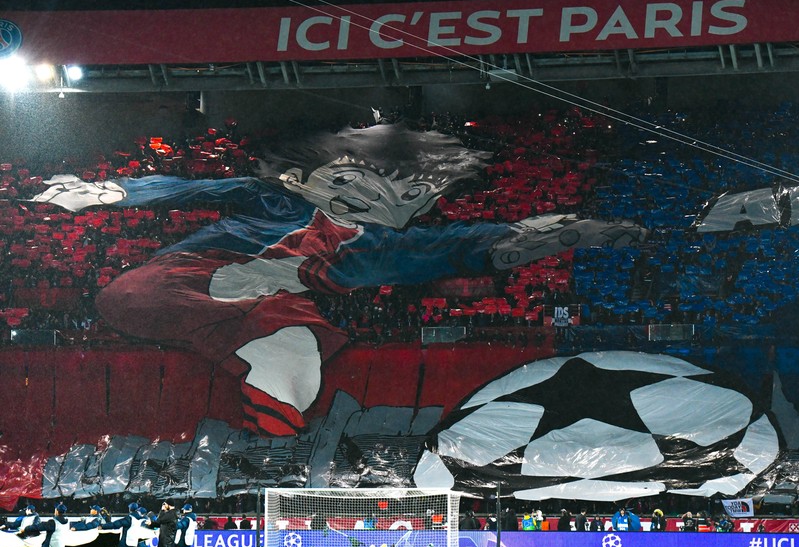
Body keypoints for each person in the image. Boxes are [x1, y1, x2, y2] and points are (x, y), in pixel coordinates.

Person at [31, 124, 645, 437]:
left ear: (417, 201)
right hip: (177, 283)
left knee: (296, 357)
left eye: (407, 190)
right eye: (352, 176)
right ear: (310, 177)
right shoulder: (276, 205)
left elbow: (479, 247)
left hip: (267, 310)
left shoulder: (392, 246)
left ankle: (272, 452)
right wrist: (111, 191)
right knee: (144, 297)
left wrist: (560, 235)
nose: (374, 193)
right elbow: (197, 187)